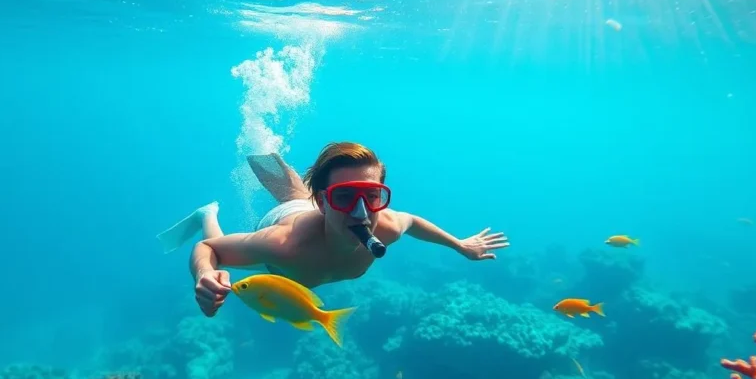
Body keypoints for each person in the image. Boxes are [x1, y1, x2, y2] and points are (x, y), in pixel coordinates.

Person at [156, 142, 509, 317]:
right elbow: (211, 250)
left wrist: (460, 245)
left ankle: (265, 147)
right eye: (344, 196)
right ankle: (207, 212)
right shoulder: (282, 246)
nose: (361, 212)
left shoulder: (383, 224)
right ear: (324, 202)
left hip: (313, 209)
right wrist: (204, 274)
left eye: (371, 195)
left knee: (297, 192)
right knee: (245, 227)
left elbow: (413, 222)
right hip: (287, 224)